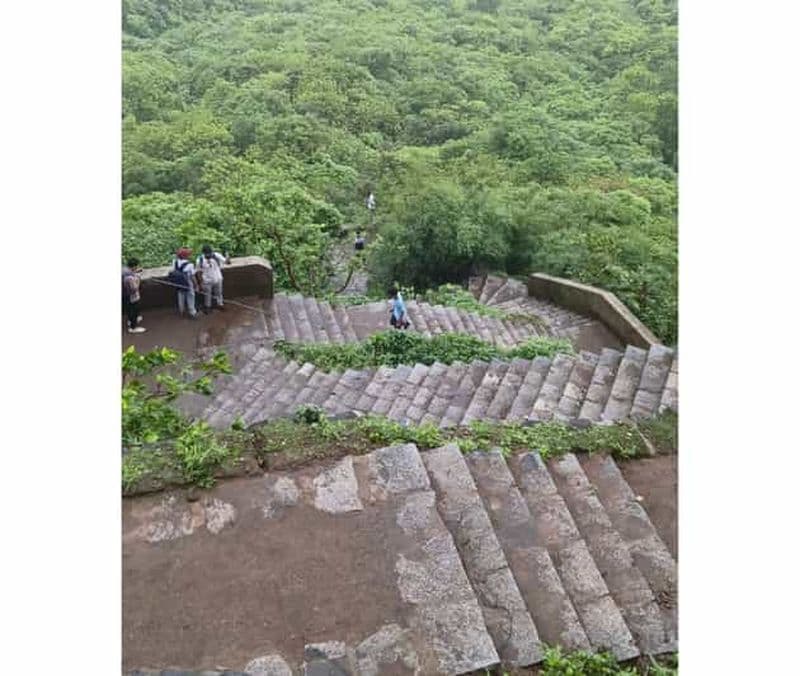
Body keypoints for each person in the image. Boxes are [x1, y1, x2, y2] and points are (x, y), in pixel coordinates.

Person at [196, 245, 230, 314]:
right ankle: (207, 307)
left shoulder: (216, 255)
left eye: (210, 253)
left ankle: (220, 304)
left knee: (219, 292)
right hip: (207, 280)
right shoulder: (200, 260)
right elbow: (199, 272)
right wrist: (201, 282)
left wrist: (227, 256)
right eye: (207, 253)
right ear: (204, 253)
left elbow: (227, 262)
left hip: (217, 278)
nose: (209, 255)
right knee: (207, 294)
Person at [170, 247, 198, 319]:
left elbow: (173, 270)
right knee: (191, 297)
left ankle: (181, 310)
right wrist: (196, 285)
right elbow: (192, 276)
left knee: (180, 296)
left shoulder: (175, 262)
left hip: (178, 282)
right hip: (187, 282)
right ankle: (192, 312)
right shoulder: (190, 264)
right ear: (186, 255)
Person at [122, 257, 146, 334]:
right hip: (132, 297)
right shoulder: (129, 277)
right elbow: (135, 288)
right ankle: (133, 327)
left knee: (130, 310)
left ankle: (131, 321)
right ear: (134, 266)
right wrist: (138, 277)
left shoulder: (124, 271)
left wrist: (135, 272)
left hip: (125, 296)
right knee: (134, 310)